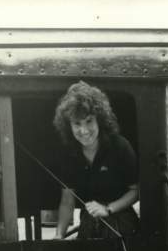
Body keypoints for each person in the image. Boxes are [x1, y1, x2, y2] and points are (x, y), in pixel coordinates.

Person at [53, 81, 140, 240]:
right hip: (89, 224)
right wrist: (59, 235)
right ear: (68, 125)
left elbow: (135, 191)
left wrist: (107, 209)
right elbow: (67, 201)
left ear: (99, 120)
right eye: (77, 123)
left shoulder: (120, 146)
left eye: (89, 121)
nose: (84, 130)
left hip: (123, 223)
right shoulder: (68, 154)